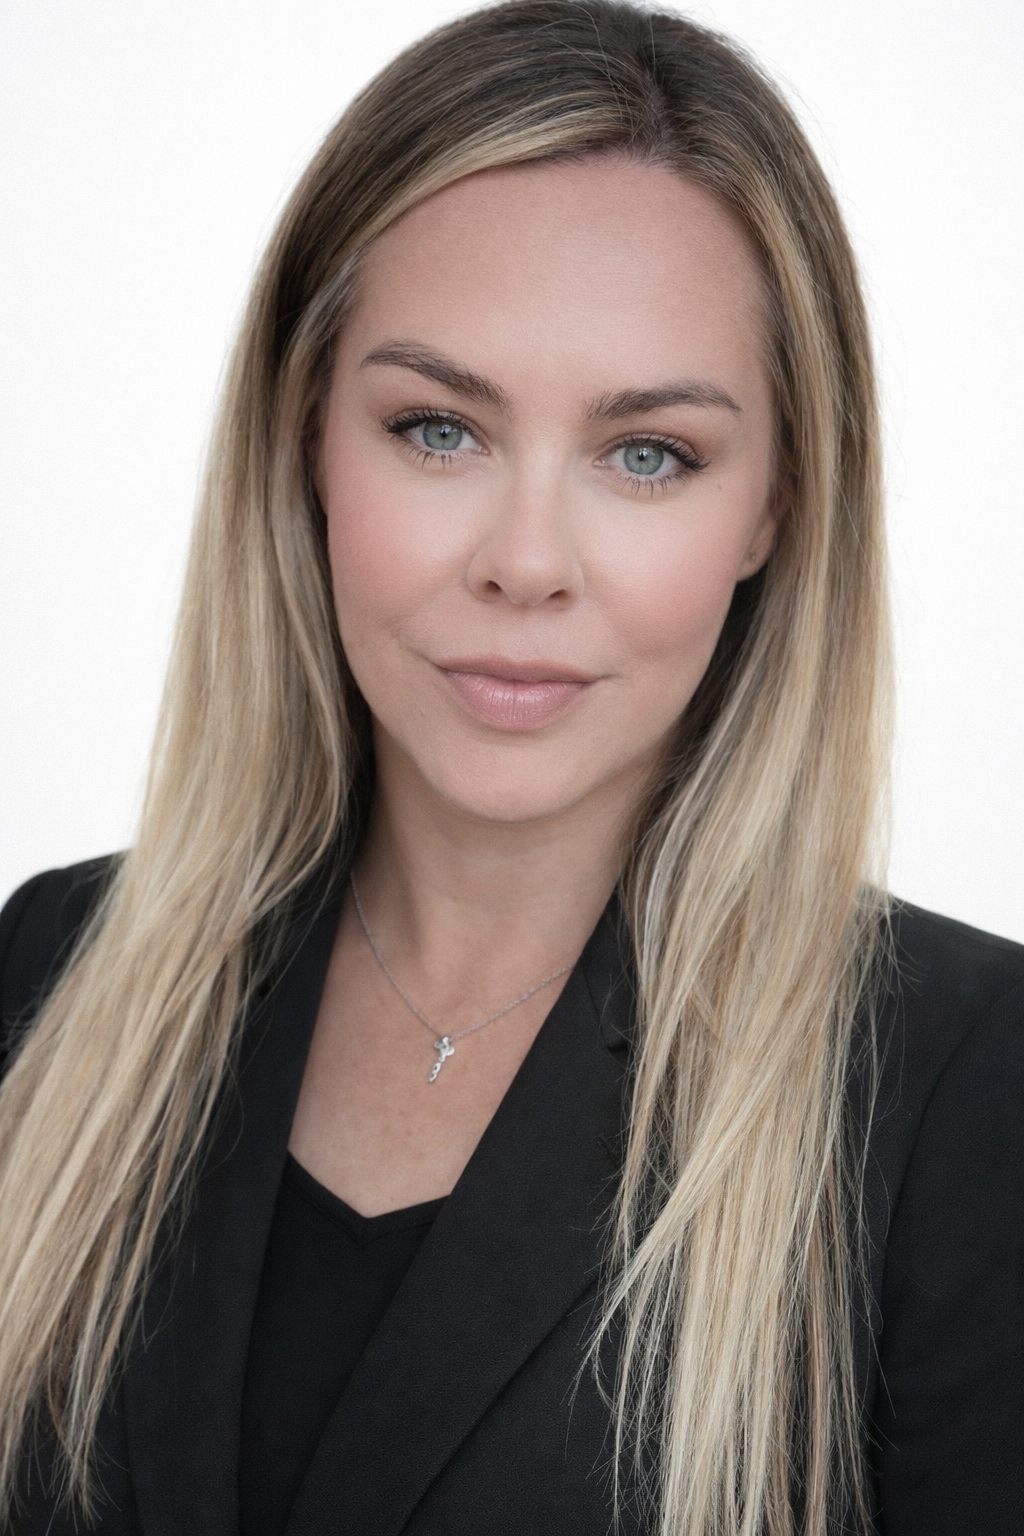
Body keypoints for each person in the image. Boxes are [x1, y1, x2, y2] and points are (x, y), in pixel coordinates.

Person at [1, 2, 1021, 1532]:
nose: (528, 562)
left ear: (771, 513)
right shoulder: (53, 978)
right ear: (306, 445)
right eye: (436, 428)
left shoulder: (965, 1090)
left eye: (649, 454)